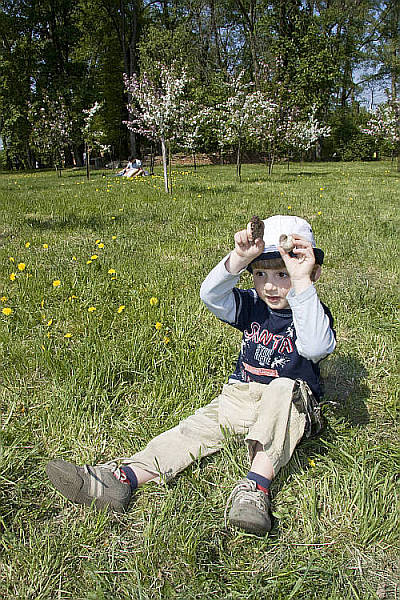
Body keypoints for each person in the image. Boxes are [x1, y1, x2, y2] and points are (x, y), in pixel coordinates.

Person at [46, 215, 336, 536]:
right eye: (260, 273)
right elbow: (211, 295)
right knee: (194, 430)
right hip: (242, 394)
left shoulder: (311, 312)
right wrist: (239, 258)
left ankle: (255, 488)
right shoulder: (254, 304)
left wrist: (301, 283)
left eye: (283, 274)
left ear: (313, 271)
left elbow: (316, 347)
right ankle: (123, 478)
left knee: (283, 390)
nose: (270, 284)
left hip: (288, 403)